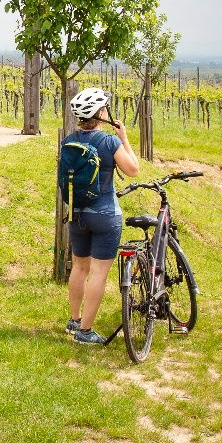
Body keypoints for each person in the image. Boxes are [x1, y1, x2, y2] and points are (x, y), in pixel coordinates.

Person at [63, 87, 140, 345]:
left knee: (79, 266)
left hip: (77, 213)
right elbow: (133, 170)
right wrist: (124, 137)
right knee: (98, 273)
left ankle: (74, 320)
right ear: (101, 113)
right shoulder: (109, 142)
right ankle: (85, 332)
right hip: (105, 215)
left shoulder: (68, 141)